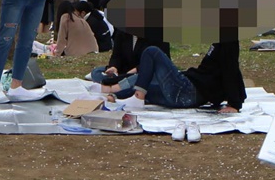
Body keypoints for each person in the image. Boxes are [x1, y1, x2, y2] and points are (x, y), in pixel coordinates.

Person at [103, 40, 247, 116]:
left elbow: (231, 69)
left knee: (151, 52)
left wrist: (234, 104)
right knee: (149, 88)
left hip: (189, 91)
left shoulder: (228, 40)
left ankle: (138, 97)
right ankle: (114, 96)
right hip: (188, 96)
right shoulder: (219, 41)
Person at [89, 30, 169, 93]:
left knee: (139, 79)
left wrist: (137, 70)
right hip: (124, 72)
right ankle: (122, 85)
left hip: (145, 74)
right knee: (96, 72)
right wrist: (114, 67)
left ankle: (114, 88)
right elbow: (116, 56)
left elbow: (160, 61)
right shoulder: (122, 33)